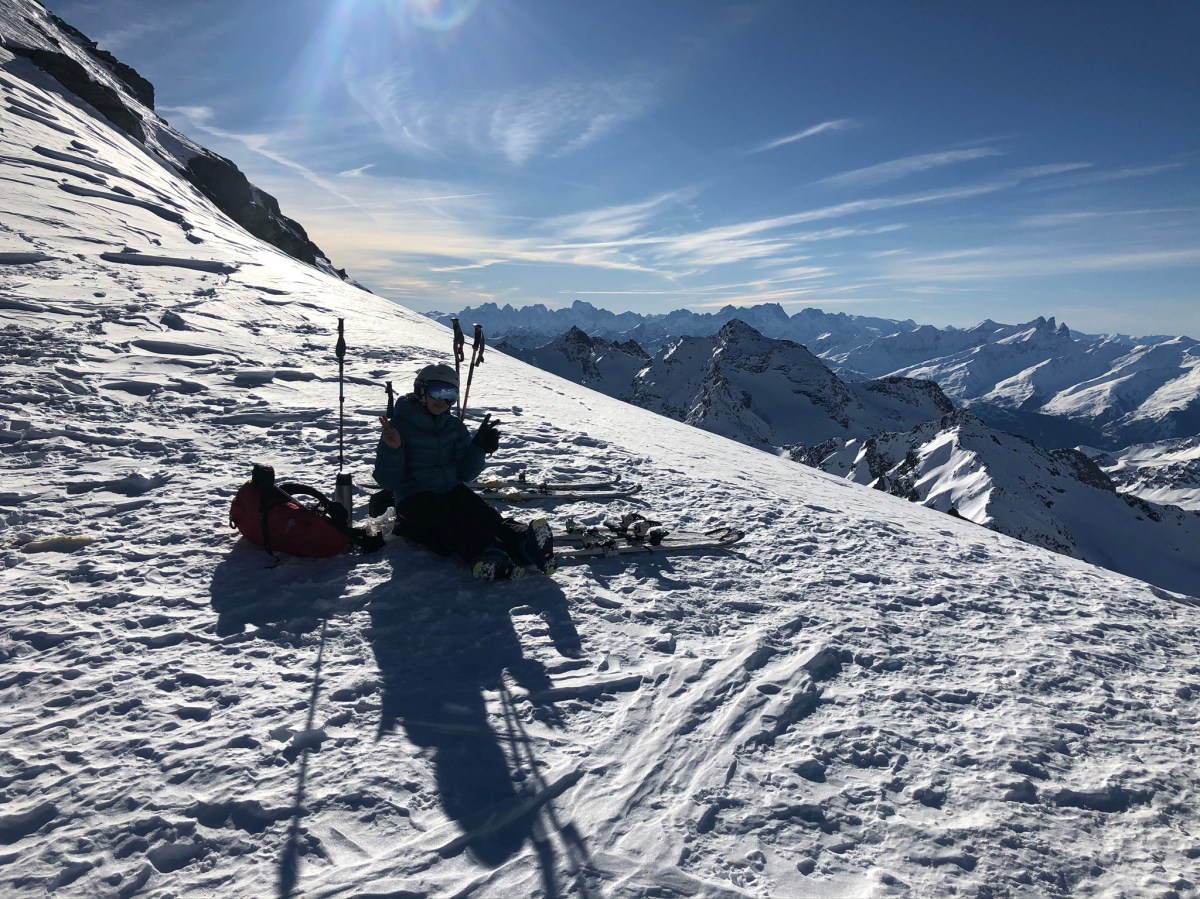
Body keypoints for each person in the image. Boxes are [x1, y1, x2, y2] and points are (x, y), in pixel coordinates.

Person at [373, 362, 554, 580]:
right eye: (437, 391)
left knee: (486, 516)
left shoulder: (453, 426)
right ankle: (486, 556)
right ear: (421, 390)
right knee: (454, 523)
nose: (443, 400)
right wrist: (394, 449)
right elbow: (389, 482)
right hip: (414, 496)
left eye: (450, 394)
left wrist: (478, 448)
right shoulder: (397, 428)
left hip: (451, 488)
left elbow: (466, 474)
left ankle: (525, 543)